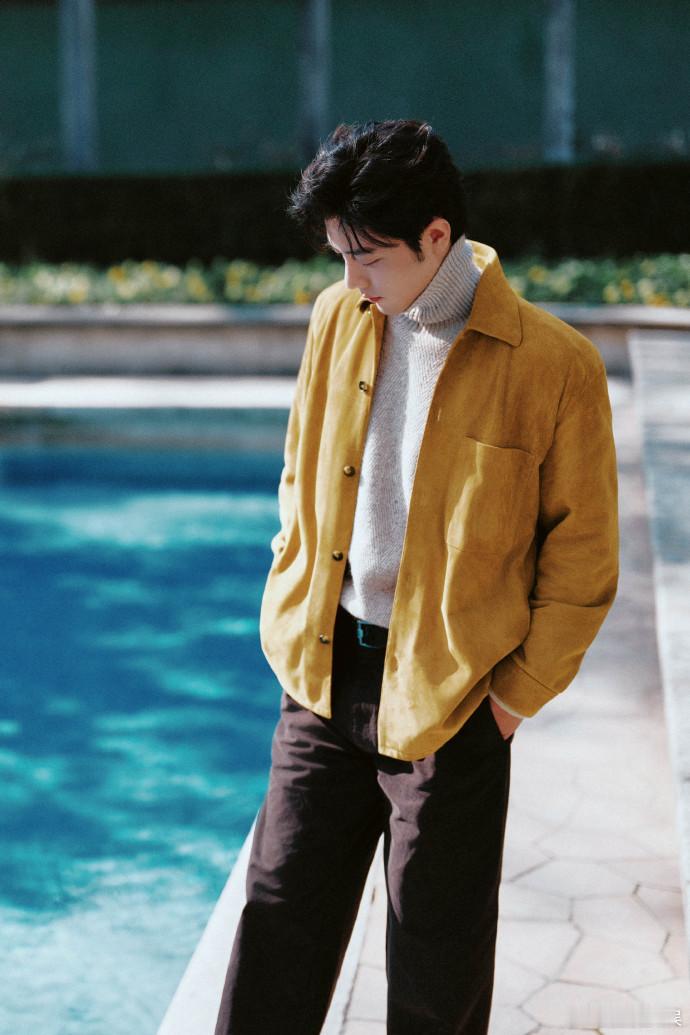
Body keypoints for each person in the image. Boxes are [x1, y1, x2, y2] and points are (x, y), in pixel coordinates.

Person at [214, 119, 619, 1035]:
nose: (351, 278)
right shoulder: (337, 319)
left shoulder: (556, 367)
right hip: (323, 679)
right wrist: (292, 582)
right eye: (339, 254)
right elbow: (300, 466)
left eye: (368, 256)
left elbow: (584, 559)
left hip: (454, 700)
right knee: (274, 933)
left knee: (435, 979)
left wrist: (508, 701)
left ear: (437, 237)